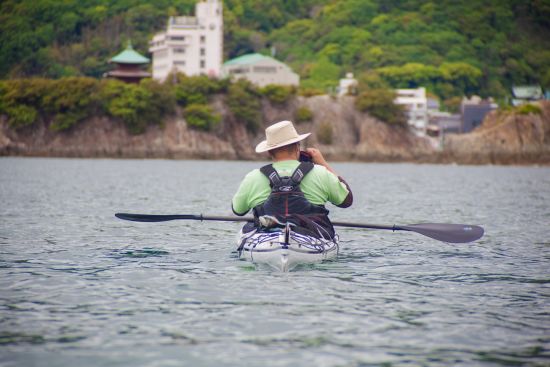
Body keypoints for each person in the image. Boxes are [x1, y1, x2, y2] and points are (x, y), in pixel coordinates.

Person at [232, 120, 353, 239]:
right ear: (297, 147)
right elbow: (346, 201)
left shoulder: (253, 176)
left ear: (269, 152)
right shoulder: (321, 172)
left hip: (267, 240)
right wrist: (323, 163)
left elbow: (238, 210)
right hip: (312, 238)